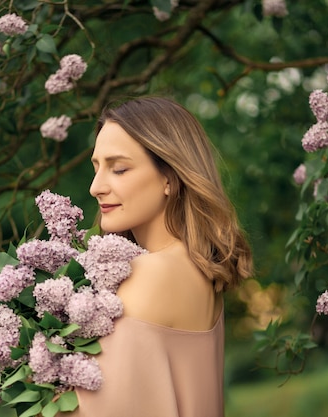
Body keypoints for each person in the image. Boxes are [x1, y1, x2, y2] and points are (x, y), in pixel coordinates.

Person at [68, 96, 252, 417]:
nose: (96, 187)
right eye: (96, 168)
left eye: (119, 168)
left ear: (169, 177)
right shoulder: (200, 271)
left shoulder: (148, 274)